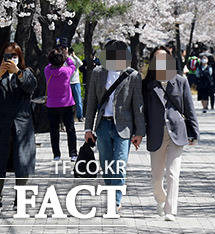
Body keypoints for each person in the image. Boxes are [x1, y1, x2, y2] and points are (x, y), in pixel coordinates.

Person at [84, 40, 145, 210]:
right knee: (106, 165)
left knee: (119, 164)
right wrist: (88, 128)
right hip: (103, 125)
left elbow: (138, 106)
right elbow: (91, 103)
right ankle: (112, 194)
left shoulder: (132, 75)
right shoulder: (98, 73)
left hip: (124, 127)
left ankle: (115, 201)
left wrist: (139, 132)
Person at [143, 47, 199, 222]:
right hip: (156, 132)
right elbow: (141, 110)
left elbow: (189, 108)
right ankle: (161, 199)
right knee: (156, 177)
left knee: (173, 173)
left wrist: (194, 132)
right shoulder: (147, 84)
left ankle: (170, 210)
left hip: (177, 131)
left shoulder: (180, 81)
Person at [0, 42, 37, 208]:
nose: (11, 59)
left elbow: (31, 86)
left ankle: (19, 197)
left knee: (22, 162)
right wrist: (0, 74)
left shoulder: (26, 73)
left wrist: (18, 73)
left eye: (14, 56)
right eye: (7, 56)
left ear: (20, 57)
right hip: (1, 124)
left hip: (21, 124)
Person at [44, 47, 77, 162]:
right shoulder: (66, 71)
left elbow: (49, 64)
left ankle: (56, 155)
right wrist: (66, 56)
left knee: (54, 130)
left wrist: (55, 57)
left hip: (52, 105)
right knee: (70, 129)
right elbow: (73, 66)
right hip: (67, 104)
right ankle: (73, 153)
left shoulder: (47, 71)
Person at [68, 47, 85, 121]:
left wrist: (74, 56)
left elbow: (81, 63)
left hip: (76, 82)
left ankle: (80, 116)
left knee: (78, 100)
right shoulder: (65, 59)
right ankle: (70, 116)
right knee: (68, 101)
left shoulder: (74, 59)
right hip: (68, 82)